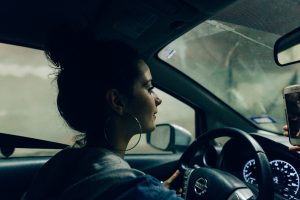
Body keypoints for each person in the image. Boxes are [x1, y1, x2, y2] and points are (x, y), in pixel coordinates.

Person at [22, 28, 182, 199]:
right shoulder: (131, 188)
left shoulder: (59, 164)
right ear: (117, 101)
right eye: (149, 88)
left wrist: (154, 191)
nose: (158, 99)